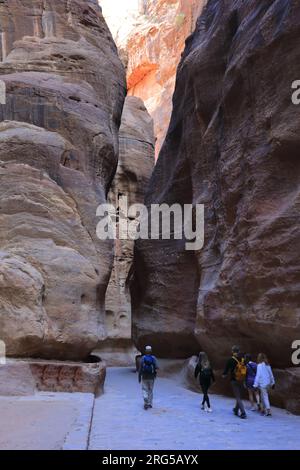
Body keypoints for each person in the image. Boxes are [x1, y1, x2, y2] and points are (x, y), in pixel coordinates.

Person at [222, 346, 247, 419]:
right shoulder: (243, 360)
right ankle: (236, 409)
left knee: (238, 397)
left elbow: (226, 371)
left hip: (234, 380)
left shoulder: (231, 360)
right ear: (239, 351)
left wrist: (224, 375)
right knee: (239, 396)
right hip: (242, 380)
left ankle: (243, 412)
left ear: (233, 351)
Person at [138, 345, 158, 410]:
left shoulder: (143, 358)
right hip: (152, 377)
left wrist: (139, 377)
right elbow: (157, 367)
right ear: (151, 351)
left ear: (145, 351)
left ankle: (145, 401)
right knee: (150, 390)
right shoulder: (153, 358)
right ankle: (150, 403)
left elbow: (140, 368)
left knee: (144, 389)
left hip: (144, 376)